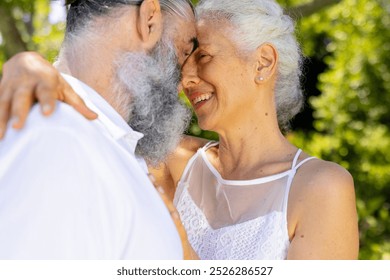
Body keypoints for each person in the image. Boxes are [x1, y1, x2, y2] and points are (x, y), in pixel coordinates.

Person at [0, 0, 359, 259]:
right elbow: (97, 121)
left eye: (202, 55)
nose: (186, 77)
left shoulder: (321, 187)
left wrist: (188, 259)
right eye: (185, 55)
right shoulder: (168, 160)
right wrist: (30, 66)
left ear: (263, 62)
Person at [0, 0, 199, 259]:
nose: (185, 81)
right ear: (149, 20)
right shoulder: (60, 140)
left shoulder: (102, 144)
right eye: (183, 52)